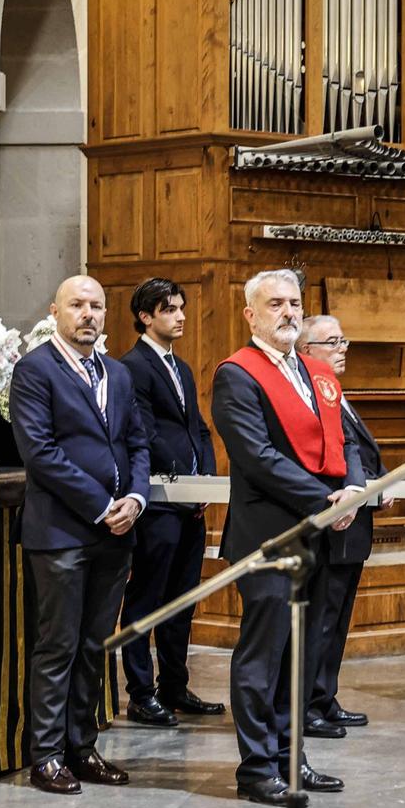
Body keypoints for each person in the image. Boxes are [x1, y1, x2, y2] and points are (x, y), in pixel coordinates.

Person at [209, 269, 361, 805]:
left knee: (303, 653)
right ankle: (256, 767)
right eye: (275, 304)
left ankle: (290, 758)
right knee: (265, 653)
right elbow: (258, 457)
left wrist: (355, 489)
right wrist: (326, 499)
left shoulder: (318, 374)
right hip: (268, 535)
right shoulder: (237, 375)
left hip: (318, 534)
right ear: (251, 314)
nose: (288, 312)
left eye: (294, 303)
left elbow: (348, 439)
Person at [10, 275, 150, 795]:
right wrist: (101, 505)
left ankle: (82, 747)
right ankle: (46, 755)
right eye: (77, 305)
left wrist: (136, 499)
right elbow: (40, 453)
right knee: (58, 645)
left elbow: (137, 442)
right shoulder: (34, 371)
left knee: (95, 646)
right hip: (63, 532)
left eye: (96, 306)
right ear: (55, 312)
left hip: (116, 534)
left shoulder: (117, 373)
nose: (87, 314)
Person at [116, 276, 224, 727]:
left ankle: (174, 686)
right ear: (146, 316)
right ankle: (141, 693)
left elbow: (197, 426)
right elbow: (144, 433)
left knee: (182, 600)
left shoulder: (180, 367)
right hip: (159, 500)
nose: (181, 317)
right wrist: (186, 479)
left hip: (189, 501)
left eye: (181, 308)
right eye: (170, 309)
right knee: (146, 600)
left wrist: (207, 479)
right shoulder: (131, 367)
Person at [298, 313, 378, 737]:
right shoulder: (310, 396)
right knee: (320, 620)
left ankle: (325, 697)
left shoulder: (334, 394)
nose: (343, 348)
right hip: (331, 525)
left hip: (354, 525)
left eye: (344, 340)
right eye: (333, 342)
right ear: (306, 352)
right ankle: (307, 704)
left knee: (338, 619)